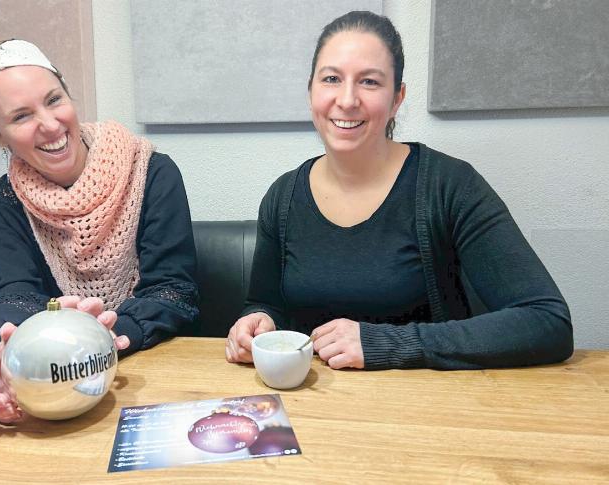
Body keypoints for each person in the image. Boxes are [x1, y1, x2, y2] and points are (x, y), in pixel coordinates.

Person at [225, 11, 573, 371]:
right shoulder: (283, 197)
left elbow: (547, 321)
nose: (346, 100)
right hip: (312, 411)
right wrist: (257, 323)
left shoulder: (449, 185)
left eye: (369, 82)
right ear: (311, 90)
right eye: (331, 79)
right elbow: (266, 304)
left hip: (424, 410)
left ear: (396, 98)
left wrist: (384, 343)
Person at [0, 40, 198, 421]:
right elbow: (12, 294)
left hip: (156, 374)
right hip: (57, 383)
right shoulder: (0, 202)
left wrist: (96, 337)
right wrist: (13, 353)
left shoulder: (152, 171)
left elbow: (172, 292)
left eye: (54, 100)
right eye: (21, 116)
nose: (51, 124)